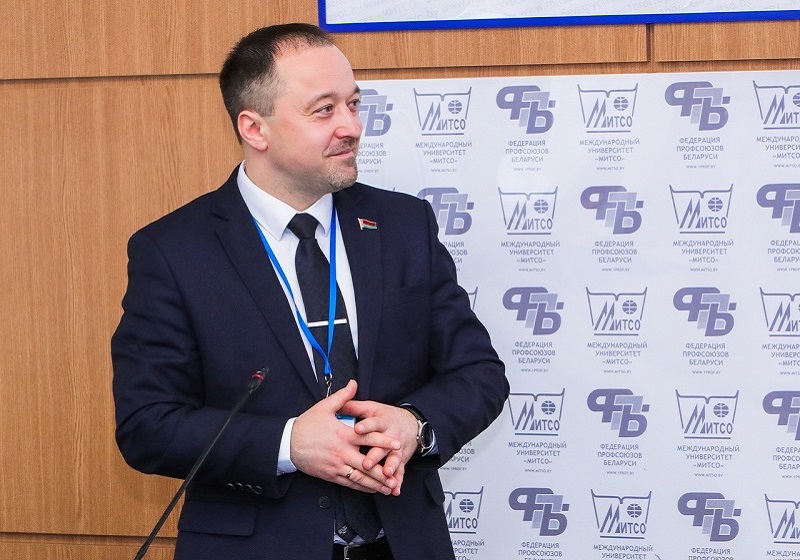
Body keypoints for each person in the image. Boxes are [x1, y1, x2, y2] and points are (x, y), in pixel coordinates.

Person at [112, 23, 508, 560]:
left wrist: (414, 423)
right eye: (324, 110)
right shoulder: (173, 250)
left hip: (403, 544)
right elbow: (147, 424)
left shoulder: (404, 224)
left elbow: (479, 373)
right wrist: (288, 443)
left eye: (353, 103)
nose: (352, 126)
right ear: (255, 128)